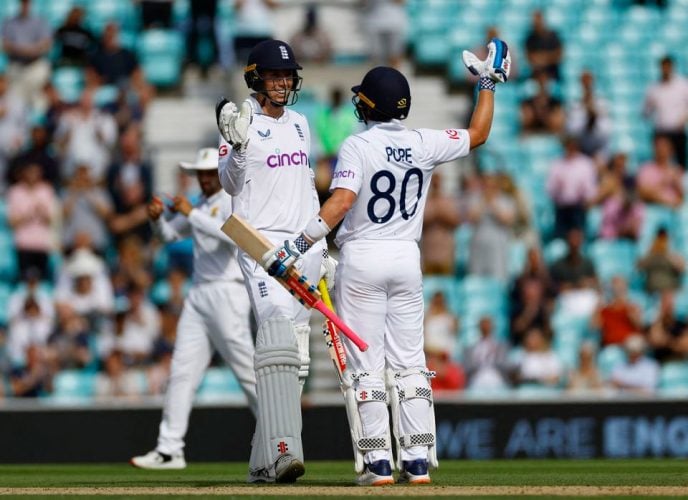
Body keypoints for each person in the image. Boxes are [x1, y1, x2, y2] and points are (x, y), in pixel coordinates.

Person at [248, 40, 510, 484]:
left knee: (366, 367)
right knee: (410, 363)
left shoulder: (359, 146)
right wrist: (487, 82)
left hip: (364, 258)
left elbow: (343, 201)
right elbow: (479, 133)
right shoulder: (425, 141)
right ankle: (419, 460)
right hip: (408, 258)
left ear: (369, 105)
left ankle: (378, 464)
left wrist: (299, 243)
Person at [215, 40, 327, 484]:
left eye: (287, 76)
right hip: (261, 246)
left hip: (304, 247)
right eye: (275, 76)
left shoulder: (300, 123)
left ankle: (263, 461)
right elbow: (229, 183)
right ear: (255, 78)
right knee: (278, 336)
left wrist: (321, 248)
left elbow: (307, 186)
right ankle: (284, 453)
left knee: (295, 357)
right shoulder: (238, 120)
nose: (283, 83)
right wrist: (238, 148)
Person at [130, 147, 257, 470]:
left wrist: (190, 213)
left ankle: (281, 438)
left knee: (247, 372)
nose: (203, 178)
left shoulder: (232, 201)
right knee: (181, 372)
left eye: (209, 172)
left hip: (228, 293)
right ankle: (169, 449)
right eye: (200, 173)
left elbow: (232, 236)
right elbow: (170, 235)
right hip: (199, 294)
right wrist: (158, 221)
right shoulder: (200, 204)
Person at [643, 55, 688, 168]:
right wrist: (650, 106)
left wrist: (684, 119)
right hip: (661, 131)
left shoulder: (683, 85)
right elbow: (645, 113)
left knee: (680, 164)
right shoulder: (654, 88)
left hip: (677, 130)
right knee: (660, 164)